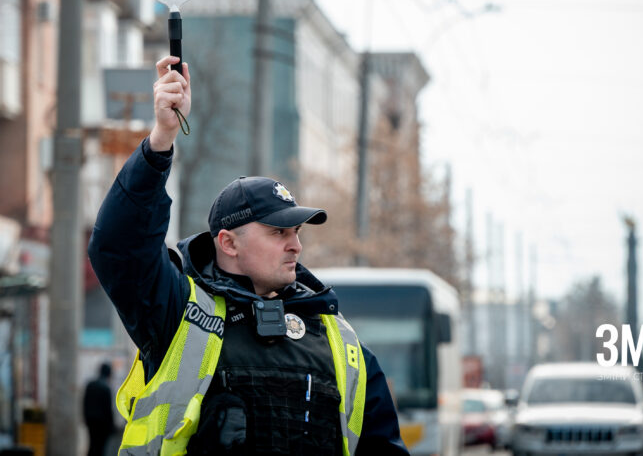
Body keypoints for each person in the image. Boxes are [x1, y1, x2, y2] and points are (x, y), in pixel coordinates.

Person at [89, 55, 409, 455]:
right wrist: (160, 142)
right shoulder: (177, 313)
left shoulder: (341, 343)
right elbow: (119, 247)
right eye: (278, 232)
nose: (296, 245)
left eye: (296, 232)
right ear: (228, 243)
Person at [83, 363, 115, 456]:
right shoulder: (106, 388)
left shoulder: (90, 385)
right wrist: (111, 426)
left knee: (92, 445)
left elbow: (85, 403)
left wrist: (85, 418)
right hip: (102, 424)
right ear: (109, 374)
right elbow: (108, 410)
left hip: (91, 421)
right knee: (100, 447)